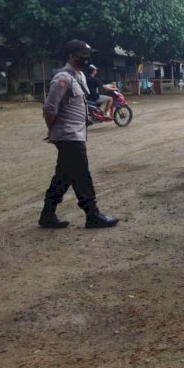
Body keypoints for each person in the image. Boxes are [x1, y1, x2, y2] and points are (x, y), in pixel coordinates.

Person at [39, 40, 119, 229]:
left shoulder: (80, 76)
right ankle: (93, 215)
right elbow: (50, 108)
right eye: (83, 54)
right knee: (81, 174)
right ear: (71, 55)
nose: (87, 57)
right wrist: (52, 131)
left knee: (64, 176)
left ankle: (47, 215)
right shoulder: (63, 78)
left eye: (88, 54)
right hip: (68, 135)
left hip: (76, 134)